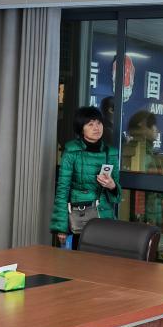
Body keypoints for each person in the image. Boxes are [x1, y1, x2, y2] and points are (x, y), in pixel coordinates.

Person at [51, 105, 120, 249]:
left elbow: (116, 195)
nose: (96, 128)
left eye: (99, 123)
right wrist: (61, 227)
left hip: (104, 216)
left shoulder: (111, 152)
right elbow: (63, 189)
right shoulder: (72, 151)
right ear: (81, 129)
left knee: (103, 258)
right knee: (80, 258)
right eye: (90, 124)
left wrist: (112, 186)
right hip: (81, 216)